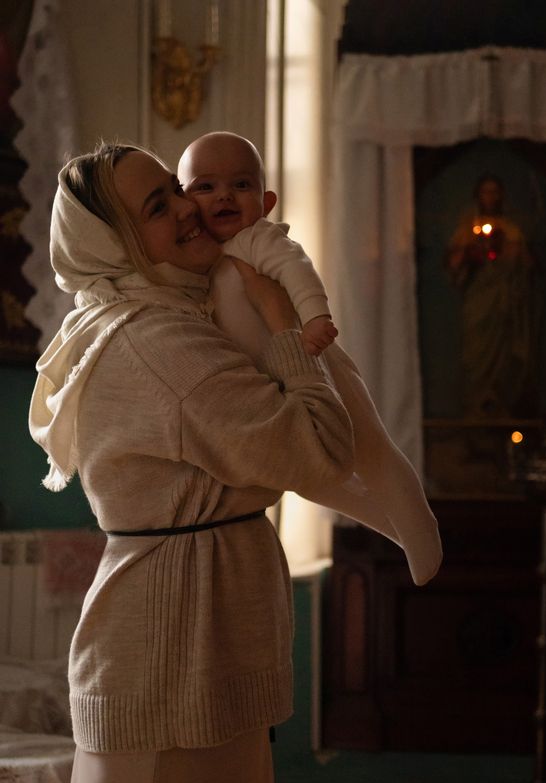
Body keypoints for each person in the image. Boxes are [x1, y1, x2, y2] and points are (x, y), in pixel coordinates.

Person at [29, 141, 358, 783]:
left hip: (172, 636)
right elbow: (321, 448)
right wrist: (284, 325)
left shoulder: (139, 319)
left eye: (174, 190)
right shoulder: (160, 342)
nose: (187, 208)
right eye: (157, 206)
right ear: (115, 245)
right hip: (177, 651)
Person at [178, 131, 442, 587]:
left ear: (266, 202)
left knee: (373, 450)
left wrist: (317, 317)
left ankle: (422, 531)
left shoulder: (256, 240)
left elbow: (296, 270)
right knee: (310, 477)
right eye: (206, 186)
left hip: (317, 362)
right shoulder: (195, 263)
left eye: (240, 185)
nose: (223, 195)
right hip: (275, 389)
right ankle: (393, 529)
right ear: (185, 203)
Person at [446, 173, 536, 418]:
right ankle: (475, 408)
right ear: (478, 195)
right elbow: (454, 267)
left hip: (503, 303)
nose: (490, 197)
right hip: (478, 302)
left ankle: (502, 406)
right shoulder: (467, 229)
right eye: (486, 191)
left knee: (504, 358)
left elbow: (525, 267)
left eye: (495, 192)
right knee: (476, 356)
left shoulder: (511, 230)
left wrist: (505, 250)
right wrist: (470, 253)